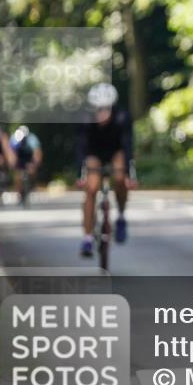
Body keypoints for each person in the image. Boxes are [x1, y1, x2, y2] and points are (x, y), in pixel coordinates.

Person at [76, 83, 137, 257]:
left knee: (119, 177)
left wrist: (129, 174)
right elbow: (80, 148)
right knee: (91, 188)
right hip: (94, 153)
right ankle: (87, 238)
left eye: (106, 109)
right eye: (98, 109)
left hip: (115, 151)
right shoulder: (86, 120)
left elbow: (127, 146)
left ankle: (121, 216)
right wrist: (79, 174)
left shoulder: (122, 117)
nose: (102, 113)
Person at [10, 126, 43, 203]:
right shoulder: (14, 139)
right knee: (18, 175)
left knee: (32, 171)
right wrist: (13, 165)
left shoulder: (32, 139)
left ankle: (32, 185)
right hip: (19, 157)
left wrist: (35, 164)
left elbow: (37, 153)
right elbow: (12, 153)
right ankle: (19, 193)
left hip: (29, 157)